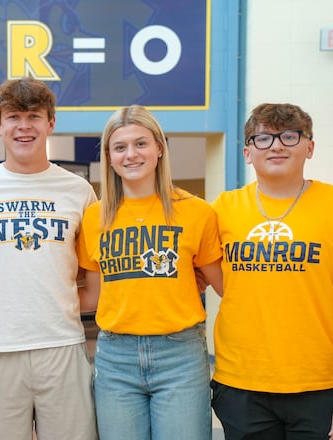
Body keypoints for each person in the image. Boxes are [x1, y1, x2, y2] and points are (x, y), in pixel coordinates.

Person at [211, 103, 333, 440]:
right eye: (262, 138)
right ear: (248, 152)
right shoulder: (222, 210)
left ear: (309, 147)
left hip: (321, 386)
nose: (276, 145)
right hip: (241, 385)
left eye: (289, 136)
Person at [0, 77, 98, 439]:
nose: (24, 126)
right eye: (13, 116)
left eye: (34, 116)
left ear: (51, 123)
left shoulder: (78, 190)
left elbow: (92, 277)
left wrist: (53, 305)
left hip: (62, 345)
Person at [76, 105, 223, 439]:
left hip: (180, 355)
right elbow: (93, 297)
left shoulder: (196, 212)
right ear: (109, 157)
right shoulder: (94, 218)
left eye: (141, 143)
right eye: (120, 147)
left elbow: (228, 288)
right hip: (115, 357)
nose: (131, 154)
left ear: (159, 147)